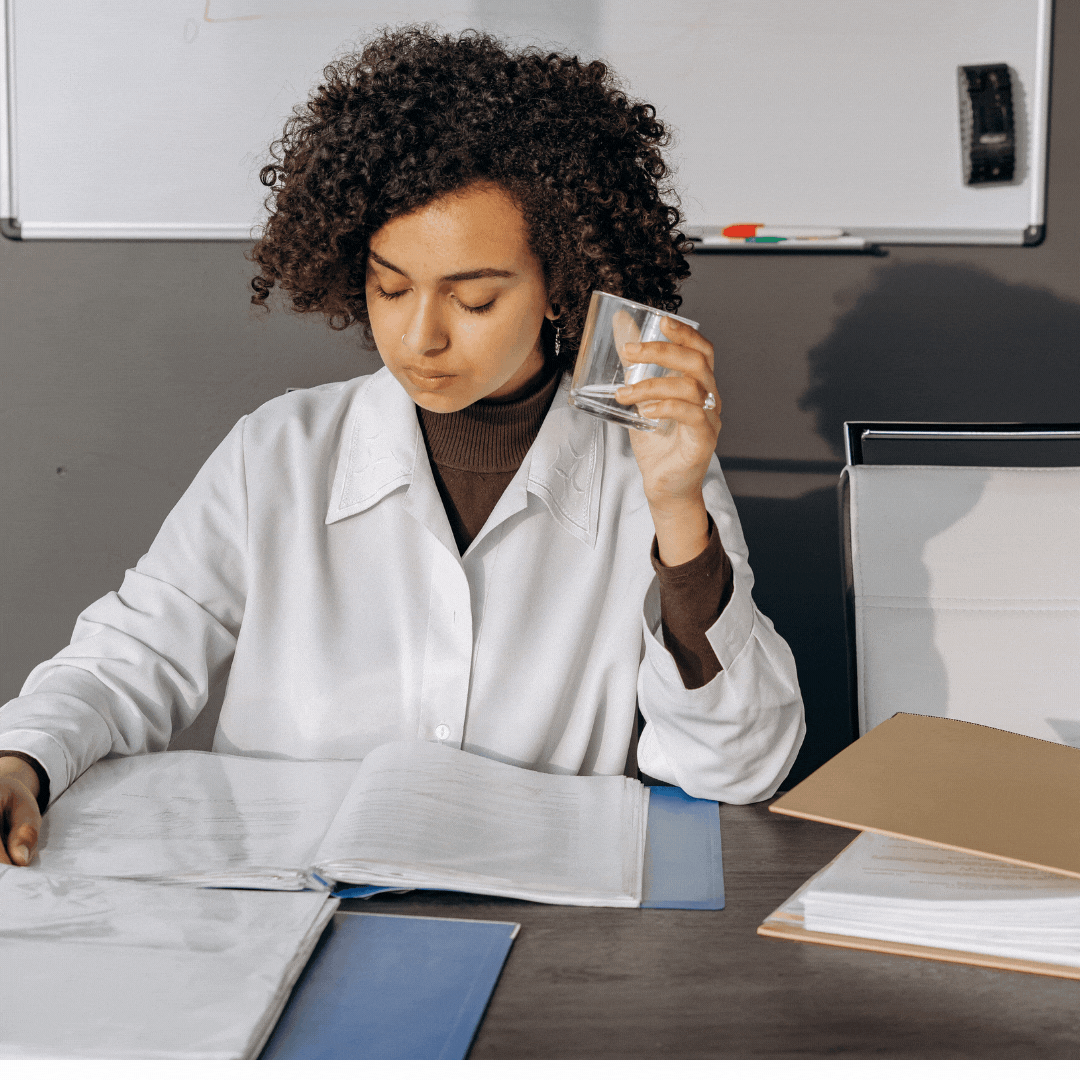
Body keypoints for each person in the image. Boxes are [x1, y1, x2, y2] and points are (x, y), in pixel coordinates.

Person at [0, 27, 804, 867]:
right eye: (390, 288)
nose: (420, 337)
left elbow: (740, 765)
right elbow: (130, 658)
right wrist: (21, 756)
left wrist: (678, 514)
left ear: (561, 286)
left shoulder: (651, 465)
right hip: (282, 903)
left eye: (476, 300)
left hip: (533, 922)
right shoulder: (278, 451)